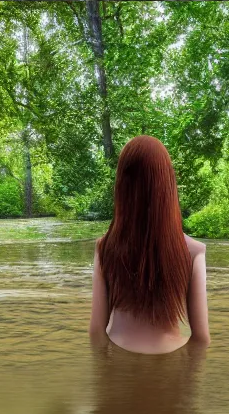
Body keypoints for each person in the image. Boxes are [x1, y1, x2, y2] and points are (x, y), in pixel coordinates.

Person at [89, 135, 211, 355]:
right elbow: (201, 338)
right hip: (171, 365)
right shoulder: (194, 251)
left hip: (119, 361)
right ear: (167, 186)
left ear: (122, 187)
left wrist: (104, 379)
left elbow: (96, 332)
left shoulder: (104, 248)